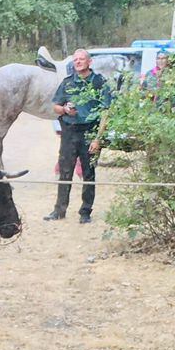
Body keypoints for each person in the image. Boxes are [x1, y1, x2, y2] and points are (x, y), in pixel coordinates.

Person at [46, 48, 111, 223]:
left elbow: (106, 112)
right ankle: (59, 210)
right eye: (75, 60)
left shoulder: (99, 83)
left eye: (81, 59)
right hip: (69, 131)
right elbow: (55, 107)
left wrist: (98, 138)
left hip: (90, 131)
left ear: (89, 62)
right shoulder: (67, 83)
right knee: (65, 172)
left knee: (89, 173)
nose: (78, 62)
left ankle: (85, 212)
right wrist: (65, 109)